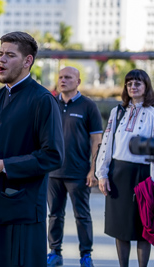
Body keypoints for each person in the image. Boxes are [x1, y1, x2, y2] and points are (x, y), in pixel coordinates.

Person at [0, 31, 64, 267]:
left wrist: (3, 166)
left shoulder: (42, 100)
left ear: (27, 61)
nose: (1, 60)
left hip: (21, 213)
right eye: (0, 54)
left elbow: (53, 155)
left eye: (10, 55)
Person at [96, 69, 154, 267]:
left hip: (144, 174)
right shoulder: (118, 112)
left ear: (146, 86)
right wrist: (102, 174)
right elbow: (106, 143)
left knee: (143, 227)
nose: (133, 87)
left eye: (138, 83)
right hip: (118, 173)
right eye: (129, 84)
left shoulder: (153, 113)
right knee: (120, 226)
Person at [47, 67, 102, 267]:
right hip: (52, 171)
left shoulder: (88, 106)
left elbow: (97, 139)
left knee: (82, 215)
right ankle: (55, 252)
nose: (63, 80)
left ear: (78, 81)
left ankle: (86, 255)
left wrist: (93, 169)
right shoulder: (51, 103)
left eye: (68, 77)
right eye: (60, 77)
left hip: (79, 172)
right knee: (54, 214)